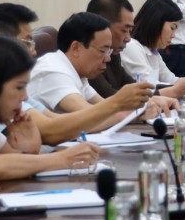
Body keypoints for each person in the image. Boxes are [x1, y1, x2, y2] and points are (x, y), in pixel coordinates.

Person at [0, 35, 102, 180]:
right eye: (19, 87)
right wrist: (63, 158)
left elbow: (15, 163)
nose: (25, 97)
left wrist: (30, 150)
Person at [26, 12, 170, 131]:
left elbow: (102, 107)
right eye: (103, 51)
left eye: (109, 51)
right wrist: (131, 112)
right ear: (76, 48)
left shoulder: (75, 71)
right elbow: (88, 117)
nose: (108, 58)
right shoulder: (53, 70)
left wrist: (139, 107)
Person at [120, 0, 185, 99]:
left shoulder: (153, 52)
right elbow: (149, 88)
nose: (173, 35)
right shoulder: (132, 47)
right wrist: (183, 88)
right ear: (156, 23)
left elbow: (172, 80)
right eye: (172, 27)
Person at [86, 0, 140, 98]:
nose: (128, 39)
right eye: (124, 30)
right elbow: (110, 97)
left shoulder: (113, 53)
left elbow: (134, 87)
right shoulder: (87, 57)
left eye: (130, 31)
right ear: (102, 25)